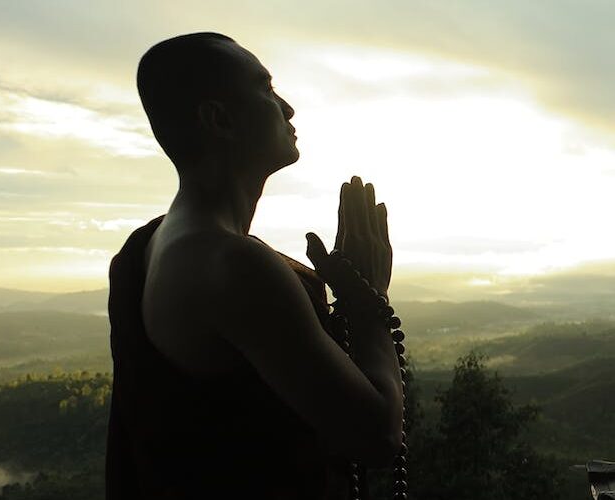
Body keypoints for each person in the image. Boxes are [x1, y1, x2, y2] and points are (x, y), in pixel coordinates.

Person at [105, 32, 405, 499]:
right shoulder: (232, 265)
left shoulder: (146, 247)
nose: (287, 107)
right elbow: (375, 438)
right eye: (265, 88)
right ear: (219, 118)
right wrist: (368, 300)